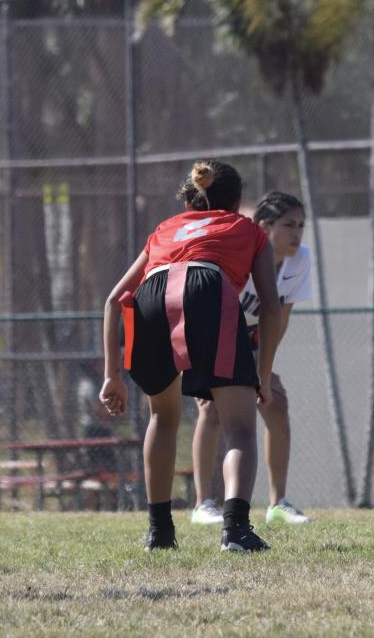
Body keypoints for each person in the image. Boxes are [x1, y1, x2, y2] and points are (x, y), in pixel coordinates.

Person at [98, 160, 282, 552]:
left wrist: (112, 375)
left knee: (163, 417)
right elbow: (270, 306)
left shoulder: (166, 228)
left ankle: (159, 532)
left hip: (152, 294)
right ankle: (235, 530)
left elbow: (115, 299)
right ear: (235, 201)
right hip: (208, 289)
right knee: (240, 427)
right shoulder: (246, 229)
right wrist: (261, 377)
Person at [190, 191, 313, 526]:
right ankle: (203, 503)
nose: (297, 233)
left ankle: (278, 503)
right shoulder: (241, 254)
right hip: (213, 335)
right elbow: (208, 308)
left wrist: (264, 370)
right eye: (288, 225)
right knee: (211, 409)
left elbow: (280, 317)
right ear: (263, 226)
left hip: (253, 341)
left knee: (277, 404)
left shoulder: (300, 259)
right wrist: (204, 369)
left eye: (301, 225)